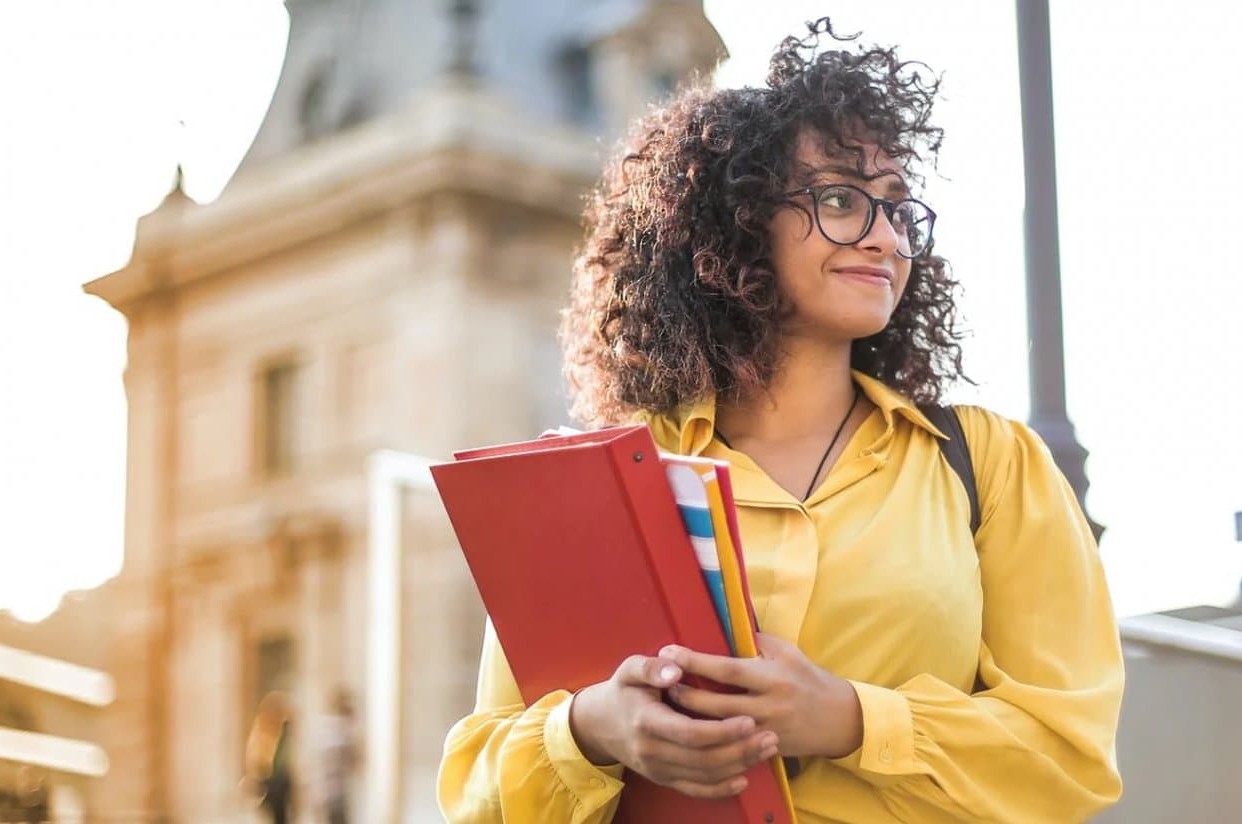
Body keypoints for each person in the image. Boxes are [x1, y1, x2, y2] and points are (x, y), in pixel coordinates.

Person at [438, 19, 1123, 824]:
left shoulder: (991, 464)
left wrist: (851, 719)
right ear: (737, 222)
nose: (883, 237)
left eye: (899, 209)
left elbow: (1071, 759)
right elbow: (477, 788)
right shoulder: (601, 483)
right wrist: (590, 730)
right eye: (839, 198)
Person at [246, 691, 294, 824]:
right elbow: (257, 758)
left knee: (281, 815)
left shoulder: (283, 730)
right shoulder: (262, 731)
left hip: (281, 780)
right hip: (269, 780)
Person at [316, 689, 361, 824]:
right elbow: (353, 761)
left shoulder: (326, 729)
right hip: (335, 793)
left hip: (330, 792)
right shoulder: (341, 733)